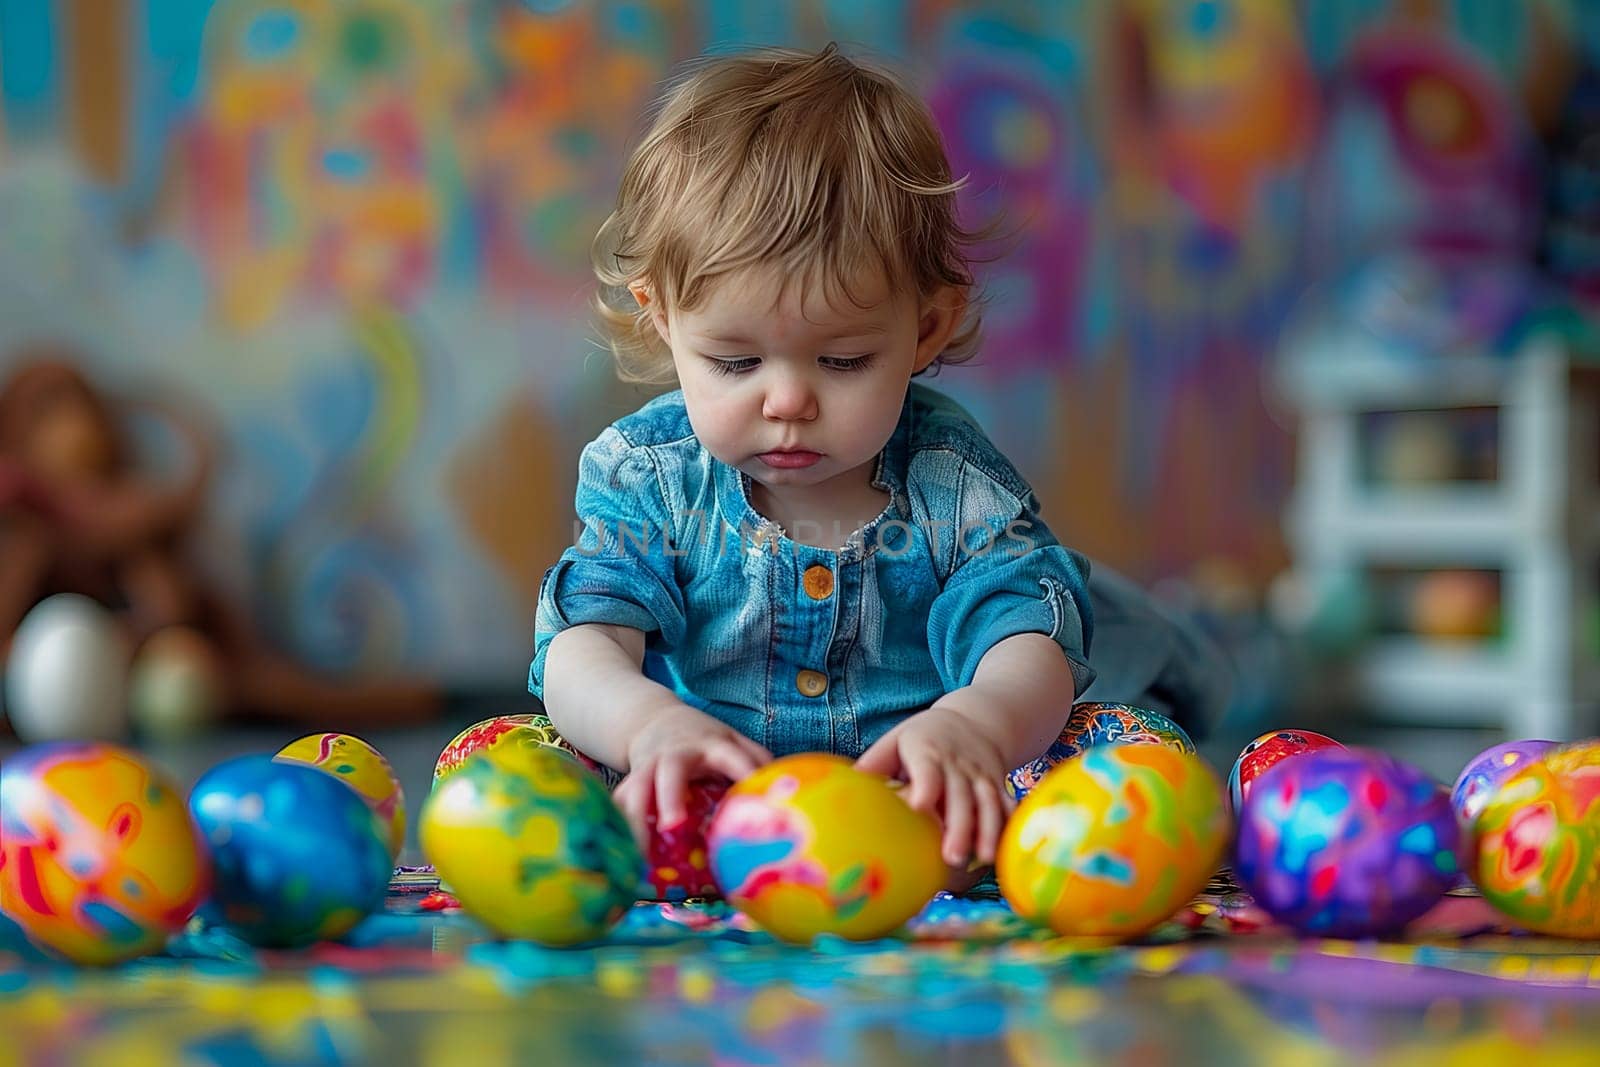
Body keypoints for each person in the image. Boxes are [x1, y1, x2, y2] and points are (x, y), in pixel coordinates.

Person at [531, 44, 1230, 876]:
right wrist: (648, 726)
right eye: (735, 362)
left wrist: (978, 723)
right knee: (507, 760)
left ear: (926, 329)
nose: (786, 400)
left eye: (842, 361)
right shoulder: (651, 478)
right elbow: (583, 643)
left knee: (1138, 753)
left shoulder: (950, 482)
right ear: (661, 319)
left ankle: (981, 841)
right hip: (708, 794)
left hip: (920, 799)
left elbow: (1027, 638)